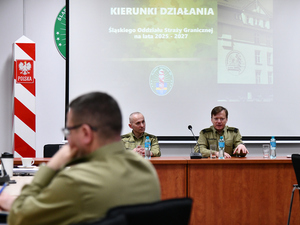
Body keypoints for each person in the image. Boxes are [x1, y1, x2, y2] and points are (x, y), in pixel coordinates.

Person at [0, 92, 161, 225]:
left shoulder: (75, 181)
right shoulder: (146, 171)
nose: (68, 138)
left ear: (85, 133)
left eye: (69, 131)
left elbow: (20, 217)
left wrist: (52, 165)